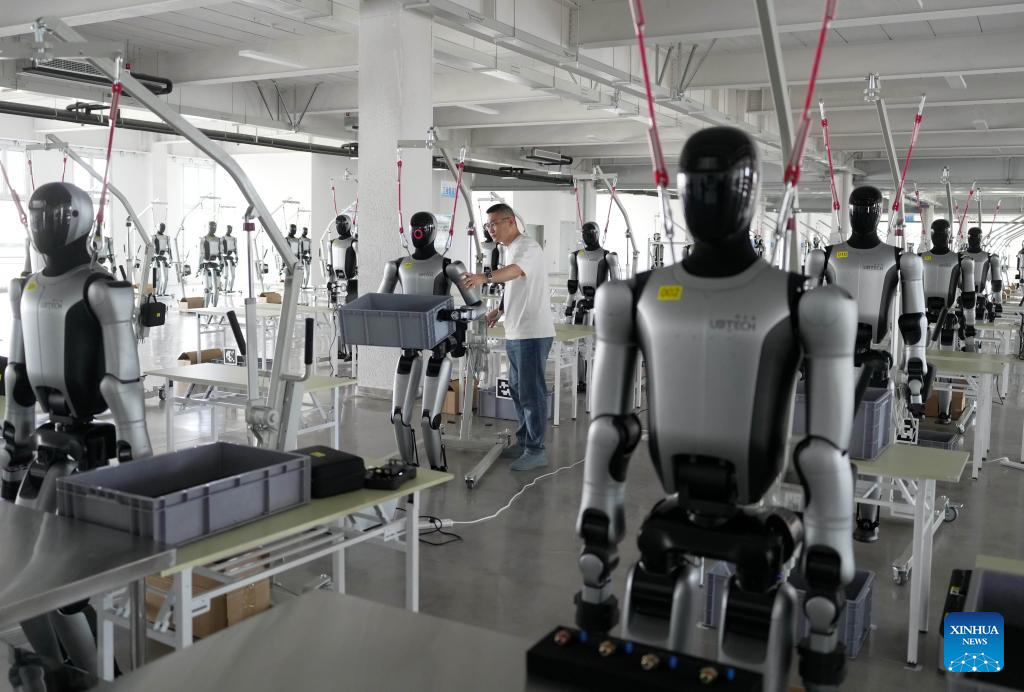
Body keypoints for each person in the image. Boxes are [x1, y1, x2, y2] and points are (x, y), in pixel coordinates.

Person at [462, 203, 555, 471]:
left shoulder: (528, 246)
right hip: (516, 331)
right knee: (517, 389)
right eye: (488, 225)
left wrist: (483, 277)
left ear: (511, 221)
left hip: (532, 333)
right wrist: (500, 310)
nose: (490, 229)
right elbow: (515, 282)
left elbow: (515, 271)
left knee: (531, 392)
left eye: (494, 223)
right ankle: (524, 441)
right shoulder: (511, 249)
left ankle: (536, 450)